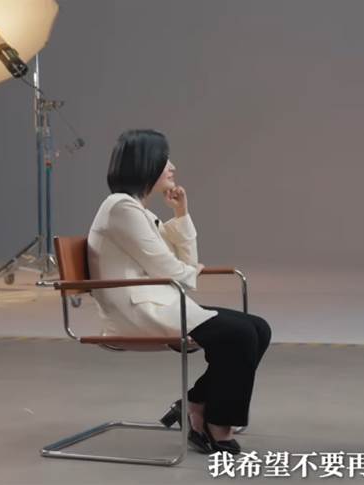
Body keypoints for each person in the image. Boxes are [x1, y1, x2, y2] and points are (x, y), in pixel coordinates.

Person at [87, 129, 271, 455]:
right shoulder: (121, 208)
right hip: (138, 312)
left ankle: (196, 403)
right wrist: (187, 272)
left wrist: (181, 214)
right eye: (164, 160)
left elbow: (182, 266)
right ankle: (217, 423)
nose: (172, 167)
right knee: (240, 334)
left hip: (160, 302)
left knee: (257, 328)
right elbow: (172, 270)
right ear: (145, 163)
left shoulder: (137, 210)